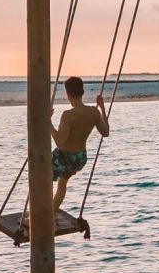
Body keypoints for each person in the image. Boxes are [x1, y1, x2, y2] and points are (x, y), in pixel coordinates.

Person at [40, 75, 110, 219]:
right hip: (80, 157)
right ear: (82, 92)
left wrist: (48, 122)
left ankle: (43, 215)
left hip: (64, 157)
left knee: (40, 179)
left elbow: (59, 141)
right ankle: (51, 212)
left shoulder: (68, 116)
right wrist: (102, 108)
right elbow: (106, 132)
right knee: (62, 184)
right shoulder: (93, 112)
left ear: (67, 94)